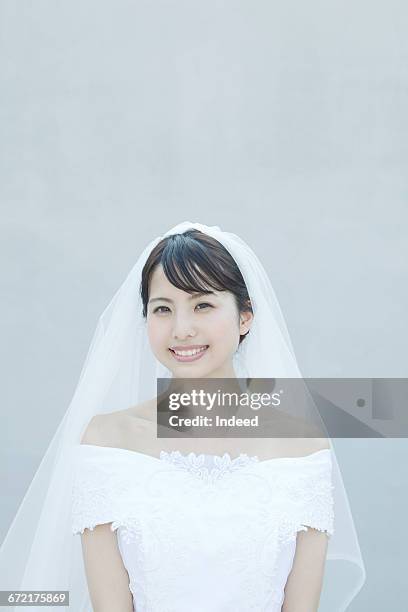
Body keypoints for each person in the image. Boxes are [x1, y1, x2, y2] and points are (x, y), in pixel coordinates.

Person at [0, 222, 366, 611]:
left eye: (202, 305)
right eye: (162, 309)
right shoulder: (107, 442)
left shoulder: (303, 449)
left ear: (245, 317)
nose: (181, 329)